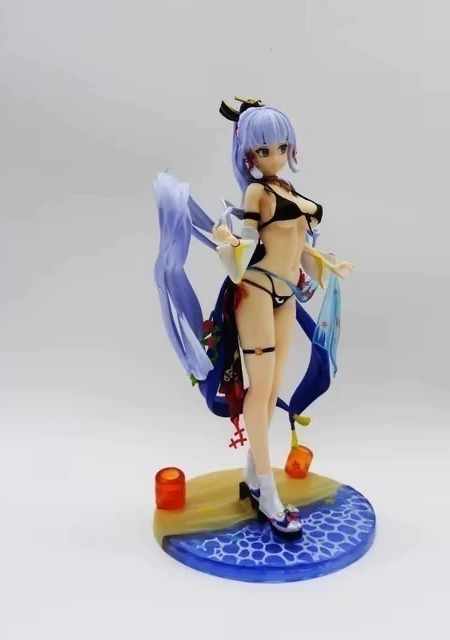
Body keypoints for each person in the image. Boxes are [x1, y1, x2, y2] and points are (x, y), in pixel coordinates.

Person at [153, 97, 354, 540]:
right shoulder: (256, 193)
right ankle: (267, 491)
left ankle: (253, 476)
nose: (274, 156)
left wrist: (327, 264)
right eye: (264, 150)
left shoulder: (287, 190)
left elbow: (297, 241)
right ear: (248, 154)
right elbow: (244, 253)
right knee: (259, 392)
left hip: (285, 293)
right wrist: (226, 240)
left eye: (281, 147)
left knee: (272, 390)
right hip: (256, 292)